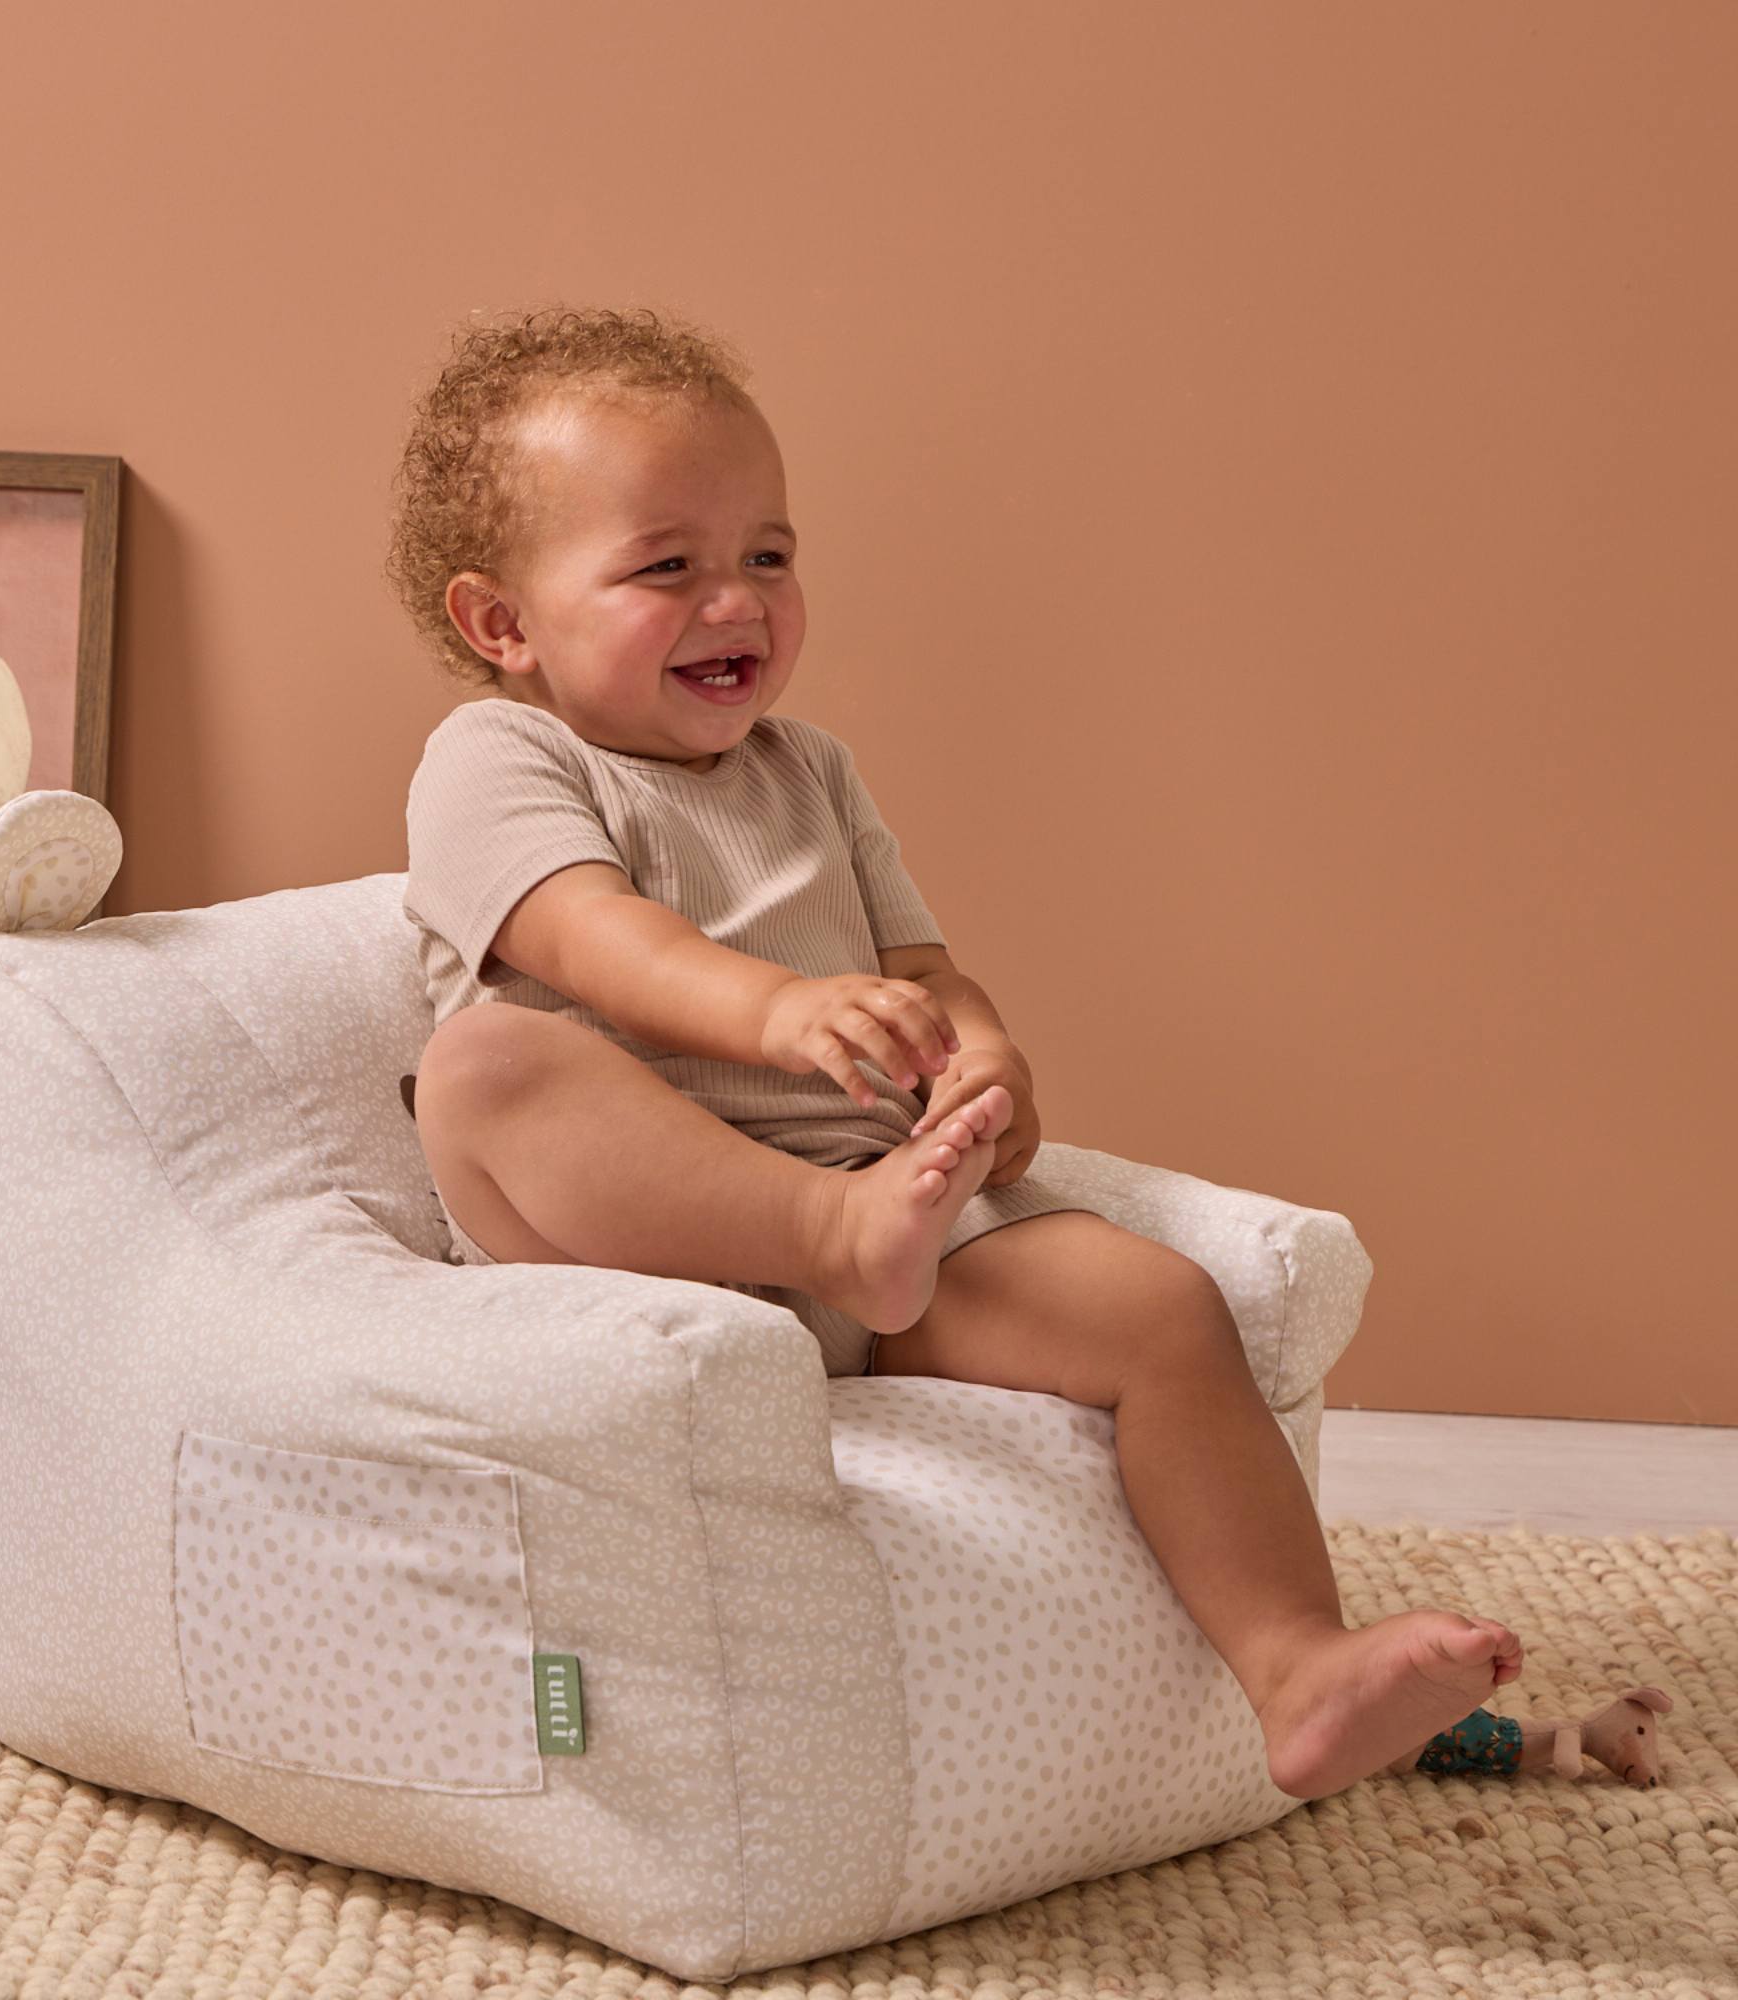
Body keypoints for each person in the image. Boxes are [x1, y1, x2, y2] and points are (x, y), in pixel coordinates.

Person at [389, 303, 1586, 1803]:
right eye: (666, 567)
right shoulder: (505, 758)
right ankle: (838, 1234)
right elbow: (583, 932)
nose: (736, 601)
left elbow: (925, 967)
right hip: (637, 1246)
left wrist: (986, 1061)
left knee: (1162, 1309)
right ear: (502, 623)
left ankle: (1299, 1666)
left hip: (882, 1236)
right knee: (489, 1070)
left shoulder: (809, 770)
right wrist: (771, 1014)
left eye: (768, 555)